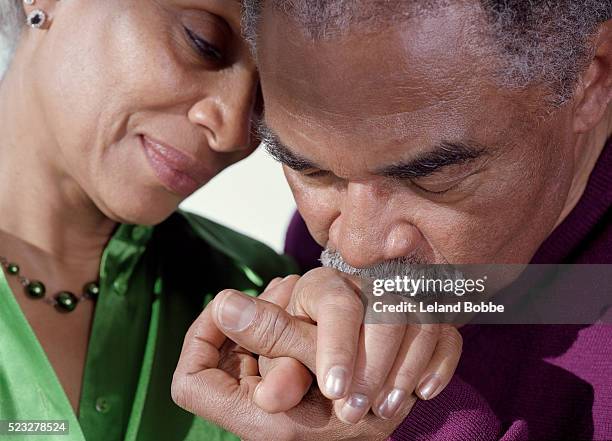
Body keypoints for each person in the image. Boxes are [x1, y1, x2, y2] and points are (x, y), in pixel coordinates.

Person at [0, 1, 461, 440]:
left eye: (268, 95)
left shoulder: (267, 300)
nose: (235, 130)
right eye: (202, 43)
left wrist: (382, 370)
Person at [171, 1, 612, 440]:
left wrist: (414, 429)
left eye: (430, 178)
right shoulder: (320, 249)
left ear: (591, 81)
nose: (355, 247)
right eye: (311, 171)